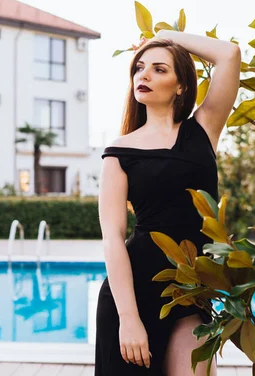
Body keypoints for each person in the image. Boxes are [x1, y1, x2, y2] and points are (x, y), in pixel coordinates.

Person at [95, 29, 242, 375]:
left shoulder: (202, 130)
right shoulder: (118, 153)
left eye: (159, 69)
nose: (144, 75)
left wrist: (163, 35)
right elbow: (113, 238)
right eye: (140, 68)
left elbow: (230, 55)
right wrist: (128, 319)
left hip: (191, 291)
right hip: (135, 293)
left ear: (181, 86)